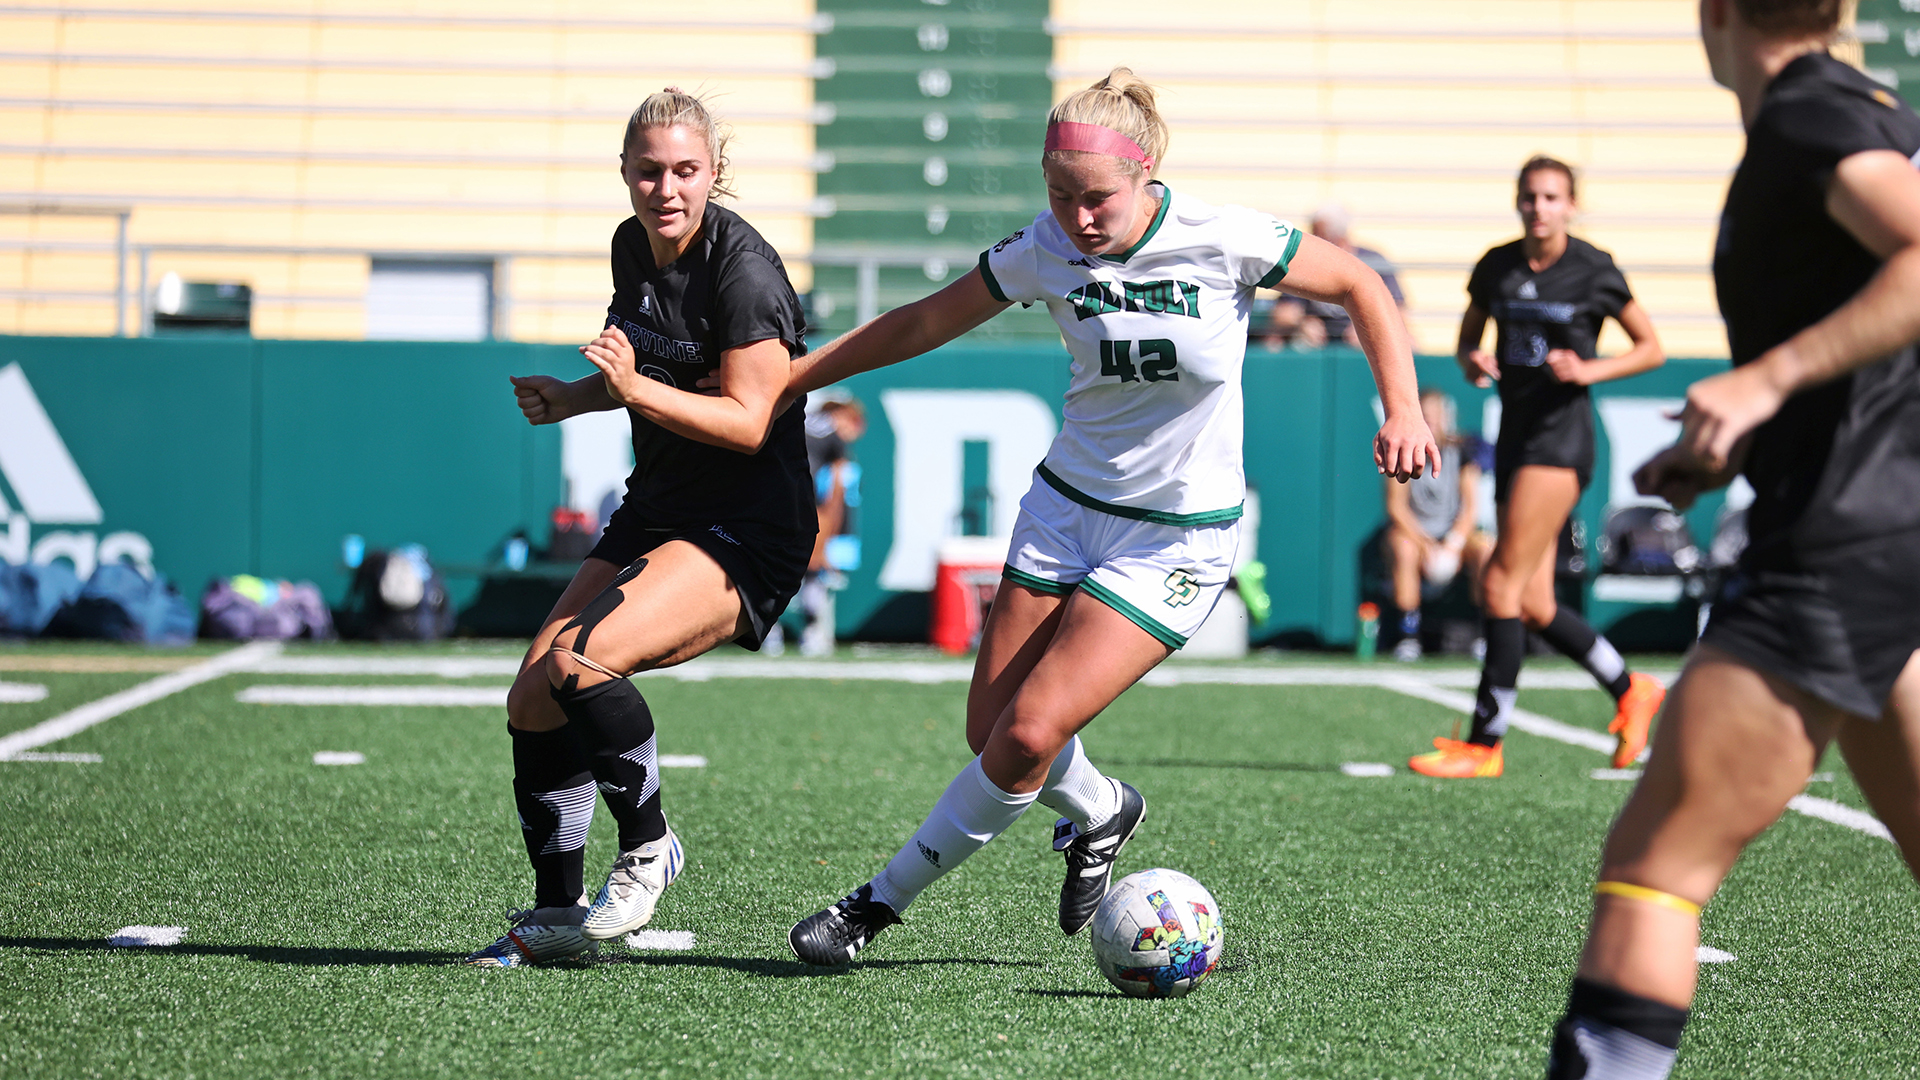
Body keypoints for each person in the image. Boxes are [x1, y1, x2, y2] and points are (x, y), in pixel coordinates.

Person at [773, 68, 1436, 965]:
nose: (1078, 217)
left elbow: (1360, 283)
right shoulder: (1044, 246)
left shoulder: (1224, 237)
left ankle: (872, 908)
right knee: (992, 735)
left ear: (1149, 169)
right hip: (1062, 511)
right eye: (1059, 194)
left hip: (1177, 536)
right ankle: (1103, 808)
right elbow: (927, 320)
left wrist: (1402, 407)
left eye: (1098, 198)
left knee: (1027, 739)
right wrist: (796, 375)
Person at [1546, 1, 1920, 1074]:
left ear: (1712, 12)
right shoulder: (1857, 108)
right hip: (1886, 537)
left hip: (1841, 548)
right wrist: (1735, 444)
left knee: (1658, 863)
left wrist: (1765, 379)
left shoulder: (1811, 114)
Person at [467, 88, 815, 966]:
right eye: (650, 170)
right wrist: (575, 398)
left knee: (582, 663)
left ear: (714, 173)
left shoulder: (745, 273)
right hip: (660, 506)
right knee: (534, 692)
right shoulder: (632, 246)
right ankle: (558, 915)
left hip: (747, 526)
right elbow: (640, 366)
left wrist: (625, 394)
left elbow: (746, 419)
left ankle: (652, 846)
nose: (667, 188)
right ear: (625, 174)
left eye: (686, 170)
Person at [1408, 155, 1669, 779]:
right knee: (1533, 602)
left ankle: (1485, 744)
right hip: (1519, 437)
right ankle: (1632, 689)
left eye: (1552, 197)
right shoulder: (1498, 264)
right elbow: (1468, 341)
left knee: (1499, 584)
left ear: (1571, 205)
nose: (1539, 207)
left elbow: (1651, 348)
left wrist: (1590, 370)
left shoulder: (1594, 269)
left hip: (1563, 442)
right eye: (1530, 196)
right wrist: (1473, 360)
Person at [1383, 387, 1493, 661]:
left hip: (1452, 536)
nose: (1431, 422)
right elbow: (1396, 507)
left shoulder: (1463, 452)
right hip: (1418, 535)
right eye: (1425, 416)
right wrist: (1427, 544)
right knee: (1403, 547)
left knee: (1485, 548)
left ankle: (1484, 633)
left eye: (1436, 416)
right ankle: (1408, 636)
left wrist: (1452, 544)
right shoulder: (1400, 449)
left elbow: (1470, 507)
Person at [1291, 203, 1411, 348]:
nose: (1313, 240)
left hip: (1364, 338)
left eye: (1318, 235)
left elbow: (1398, 310)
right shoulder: (1305, 263)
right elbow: (1285, 312)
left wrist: (1369, 327)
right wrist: (1303, 322)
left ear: (1339, 237)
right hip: (1316, 341)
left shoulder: (1372, 261)